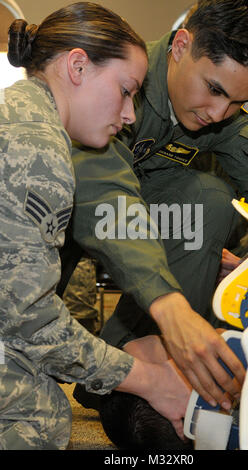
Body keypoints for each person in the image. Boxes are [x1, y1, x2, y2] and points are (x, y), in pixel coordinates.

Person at [62, 0, 248, 415]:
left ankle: (136, 360)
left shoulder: (229, 110)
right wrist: (168, 304)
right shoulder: (116, 77)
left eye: (236, 102)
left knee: (208, 199)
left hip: (136, 212)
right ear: (181, 46)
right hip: (60, 207)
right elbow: (106, 195)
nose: (218, 113)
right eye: (214, 90)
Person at [0, 2, 192, 450]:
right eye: (126, 91)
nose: (129, 115)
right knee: (39, 416)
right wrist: (148, 380)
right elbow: (29, 323)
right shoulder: (38, 151)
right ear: (78, 66)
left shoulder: (19, 115)